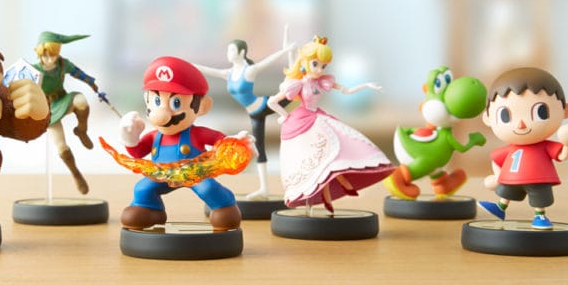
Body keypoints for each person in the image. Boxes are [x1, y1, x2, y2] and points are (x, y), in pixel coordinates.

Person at [118, 56, 247, 231]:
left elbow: (220, 141)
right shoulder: (154, 136)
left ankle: (224, 206)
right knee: (142, 188)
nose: (162, 114)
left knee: (208, 189)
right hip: (162, 174)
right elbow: (137, 153)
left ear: (202, 107)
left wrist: (235, 142)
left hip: (195, 173)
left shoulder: (196, 134)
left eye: (175, 103)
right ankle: (150, 210)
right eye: (157, 101)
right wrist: (130, 137)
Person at [267, 36, 395, 213]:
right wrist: (285, 116)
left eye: (323, 66)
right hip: (301, 122)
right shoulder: (297, 84)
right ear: (304, 62)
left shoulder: (321, 81)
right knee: (320, 161)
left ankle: (339, 186)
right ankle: (329, 194)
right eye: (315, 64)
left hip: (317, 116)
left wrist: (366, 85)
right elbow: (272, 102)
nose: (319, 70)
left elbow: (346, 90)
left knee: (337, 152)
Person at [478, 67, 568, 230]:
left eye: (541, 112)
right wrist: (498, 176)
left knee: (539, 196)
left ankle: (540, 216)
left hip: (539, 178)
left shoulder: (545, 146)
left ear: (565, 111)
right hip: (512, 178)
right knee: (506, 191)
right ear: (488, 118)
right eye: (505, 116)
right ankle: (500, 208)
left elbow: (562, 156)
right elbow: (496, 160)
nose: (521, 124)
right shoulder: (510, 149)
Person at [195, 38, 292, 199]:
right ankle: (264, 189)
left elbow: (267, 62)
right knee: (259, 149)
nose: (228, 53)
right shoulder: (229, 73)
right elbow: (208, 70)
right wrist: (188, 65)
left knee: (291, 92)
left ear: (241, 53)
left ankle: (300, 76)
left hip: (264, 105)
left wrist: (285, 51)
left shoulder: (249, 71)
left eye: (232, 50)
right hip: (254, 114)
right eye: (228, 50)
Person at [32, 31, 100, 194]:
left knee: (81, 101)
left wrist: (91, 83)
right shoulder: (34, 70)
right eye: (45, 56)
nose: (49, 60)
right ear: (40, 54)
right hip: (47, 109)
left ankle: (81, 130)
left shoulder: (62, 65)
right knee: (61, 146)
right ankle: (76, 174)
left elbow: (79, 73)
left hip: (63, 99)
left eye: (52, 55)